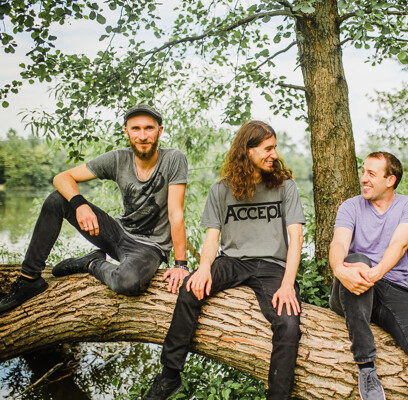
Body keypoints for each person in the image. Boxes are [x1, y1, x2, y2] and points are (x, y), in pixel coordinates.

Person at [142, 120, 305, 400]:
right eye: (267, 149)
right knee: (190, 289)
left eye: (274, 148)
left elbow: (297, 237)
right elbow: (212, 238)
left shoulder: (285, 187)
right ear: (248, 150)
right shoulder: (220, 190)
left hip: (273, 266)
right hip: (233, 261)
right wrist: (204, 269)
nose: (274, 155)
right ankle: (170, 376)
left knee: (289, 324)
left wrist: (288, 284)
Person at [0, 104, 189, 314]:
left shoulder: (173, 159)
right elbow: (61, 178)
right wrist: (79, 203)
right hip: (117, 233)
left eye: (149, 128)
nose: (142, 136)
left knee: (126, 283)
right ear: (126, 132)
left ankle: (90, 263)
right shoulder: (118, 158)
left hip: (149, 248)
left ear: (159, 131)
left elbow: (175, 214)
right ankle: (29, 279)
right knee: (56, 200)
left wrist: (181, 265)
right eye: (136, 129)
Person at [329, 152, 408, 400]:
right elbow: (339, 244)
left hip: (392, 290)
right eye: (363, 171)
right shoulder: (350, 206)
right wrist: (340, 270)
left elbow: (400, 244)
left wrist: (375, 274)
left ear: (390, 180)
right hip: (351, 288)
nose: (364, 178)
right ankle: (366, 367)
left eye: (371, 174)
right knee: (357, 260)